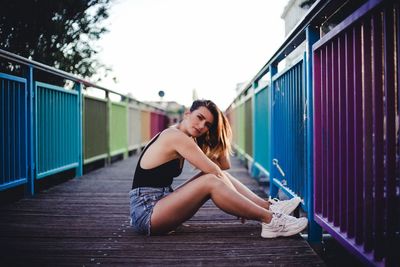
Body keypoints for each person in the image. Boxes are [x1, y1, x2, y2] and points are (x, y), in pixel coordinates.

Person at [129, 99, 307, 238]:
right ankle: (270, 221)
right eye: (199, 118)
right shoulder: (175, 137)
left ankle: (267, 207)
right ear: (187, 114)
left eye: (208, 125)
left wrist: (214, 133)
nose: (202, 126)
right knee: (211, 179)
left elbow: (223, 165)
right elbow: (216, 172)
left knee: (209, 176)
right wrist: (240, 204)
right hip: (147, 213)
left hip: (160, 204)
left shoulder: (185, 136)